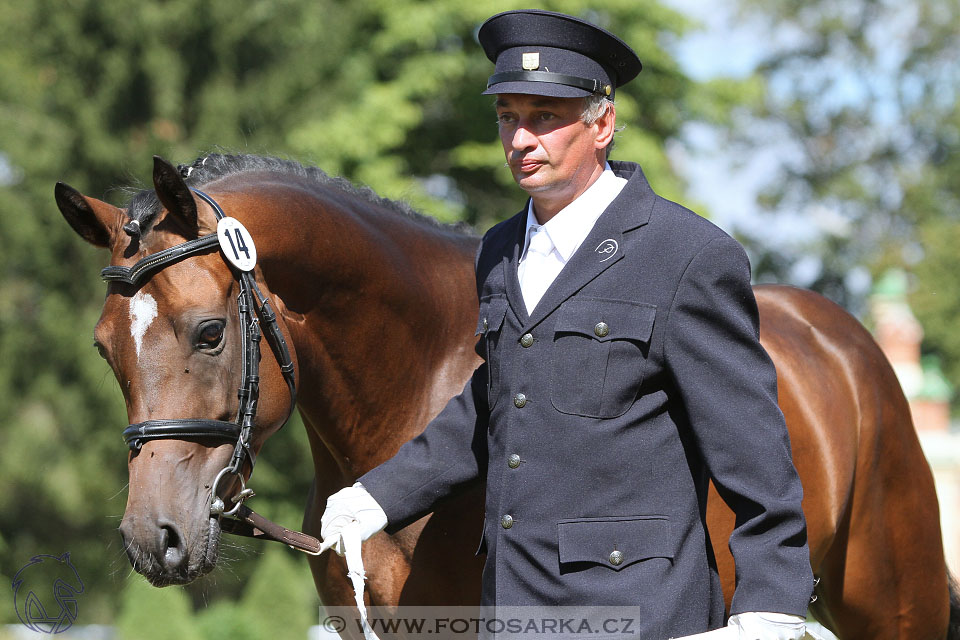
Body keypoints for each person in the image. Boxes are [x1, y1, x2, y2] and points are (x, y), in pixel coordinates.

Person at [321, 9, 814, 639]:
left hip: (644, 615)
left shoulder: (686, 254)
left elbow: (754, 450)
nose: (520, 139)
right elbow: (495, 401)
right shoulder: (498, 250)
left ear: (602, 123)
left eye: (544, 117)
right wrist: (380, 496)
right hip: (511, 612)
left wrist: (770, 605)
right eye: (507, 118)